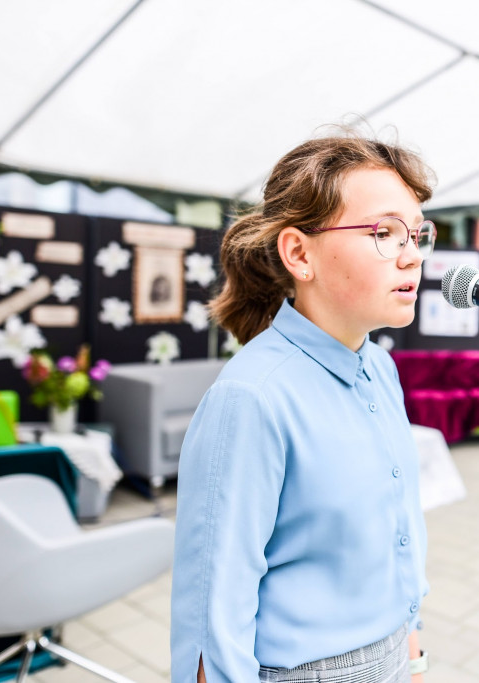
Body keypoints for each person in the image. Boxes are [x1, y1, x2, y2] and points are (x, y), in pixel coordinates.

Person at [170, 132, 436, 683]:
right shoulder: (252, 396)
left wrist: (412, 655)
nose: (412, 255)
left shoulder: (380, 368)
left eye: (416, 234)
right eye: (385, 233)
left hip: (391, 656)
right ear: (299, 253)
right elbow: (212, 615)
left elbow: (397, 537)